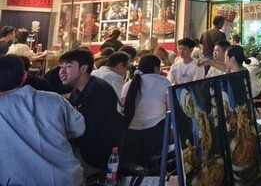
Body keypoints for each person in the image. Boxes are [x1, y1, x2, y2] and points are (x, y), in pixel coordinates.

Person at [0, 54, 85, 185]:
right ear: (24, 76)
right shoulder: (54, 99)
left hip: (21, 181)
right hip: (67, 178)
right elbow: (79, 128)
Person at [59, 48, 124, 176]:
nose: (62, 71)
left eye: (69, 66)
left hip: (95, 156)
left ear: (83, 68)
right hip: (84, 148)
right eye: (61, 67)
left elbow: (84, 128)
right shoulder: (77, 90)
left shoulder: (98, 90)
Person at [121, 54, 171, 166]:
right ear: (156, 68)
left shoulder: (128, 84)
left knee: (134, 166)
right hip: (155, 132)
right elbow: (170, 108)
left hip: (130, 133)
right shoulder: (164, 82)